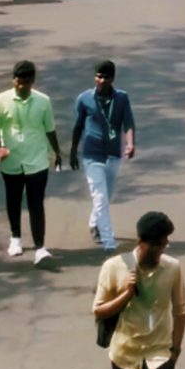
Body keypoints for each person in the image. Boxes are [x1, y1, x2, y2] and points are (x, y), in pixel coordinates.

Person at [93, 211, 185, 369]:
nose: (160, 251)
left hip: (160, 355)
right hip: (125, 356)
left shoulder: (172, 267)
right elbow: (99, 311)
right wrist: (126, 294)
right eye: (157, 245)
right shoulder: (114, 267)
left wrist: (175, 351)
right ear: (142, 243)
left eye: (164, 245)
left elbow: (180, 311)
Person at [0, 59, 63, 265]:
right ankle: (16, 238)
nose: (22, 86)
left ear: (33, 81)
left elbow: (49, 128)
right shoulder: (1, 100)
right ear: (13, 80)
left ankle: (40, 247)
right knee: (13, 200)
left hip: (37, 159)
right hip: (11, 160)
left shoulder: (43, 101)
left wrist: (57, 152)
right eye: (19, 82)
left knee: (36, 203)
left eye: (27, 82)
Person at [70, 60, 137, 250]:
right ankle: (108, 241)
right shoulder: (84, 99)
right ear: (94, 77)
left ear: (112, 78)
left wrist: (130, 144)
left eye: (106, 77)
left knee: (106, 195)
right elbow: (77, 127)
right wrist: (73, 152)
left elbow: (129, 123)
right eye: (99, 76)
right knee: (99, 195)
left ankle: (94, 223)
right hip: (92, 154)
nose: (101, 80)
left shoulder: (122, 98)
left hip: (114, 153)